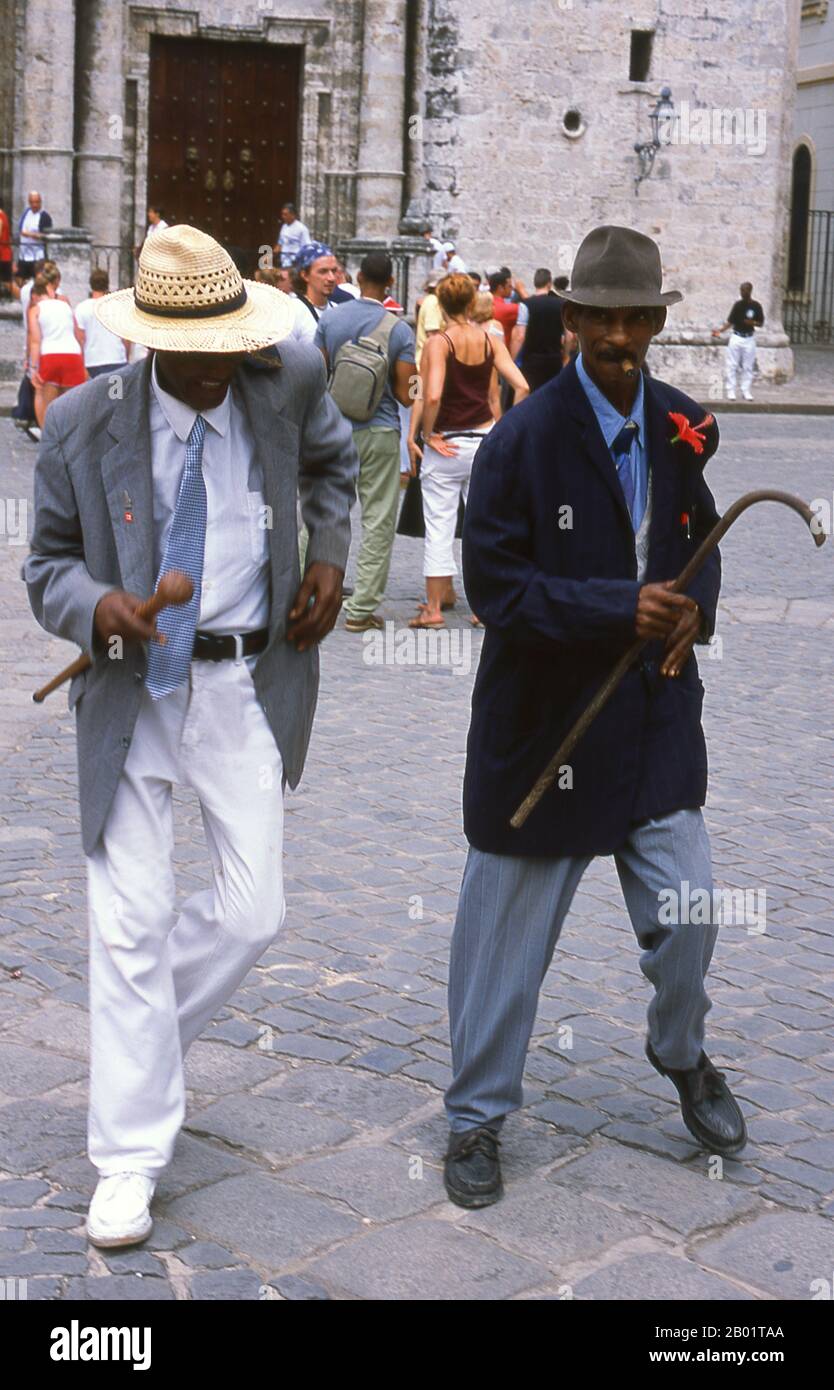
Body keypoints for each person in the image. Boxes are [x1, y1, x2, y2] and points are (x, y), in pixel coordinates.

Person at [23, 224, 358, 1249]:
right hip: (129, 692)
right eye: (195, 349)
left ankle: (138, 1048)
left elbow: (335, 468)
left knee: (255, 910)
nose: (217, 365)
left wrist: (331, 560)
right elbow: (45, 566)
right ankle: (127, 1160)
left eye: (229, 342)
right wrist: (97, 606)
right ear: (151, 339)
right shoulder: (83, 422)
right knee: (128, 922)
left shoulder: (287, 376)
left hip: (244, 681)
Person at [442, 225, 745, 1210]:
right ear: (570, 322)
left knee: (690, 910)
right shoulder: (522, 441)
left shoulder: (682, 426)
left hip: (652, 731)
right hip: (546, 735)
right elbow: (495, 586)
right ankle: (476, 1118)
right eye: (601, 317)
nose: (619, 335)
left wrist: (692, 611)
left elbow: (700, 550)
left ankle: (683, 1053)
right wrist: (621, 608)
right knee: (502, 948)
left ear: (657, 323)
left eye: (636, 318)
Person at [407, 272, 528, 631]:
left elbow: (432, 393)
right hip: (483, 442)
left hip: (448, 443)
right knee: (485, 525)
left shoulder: (439, 342)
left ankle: (433, 608)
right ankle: (483, 606)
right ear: (472, 302)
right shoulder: (490, 339)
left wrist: (428, 434)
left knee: (440, 524)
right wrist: (503, 429)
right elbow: (520, 385)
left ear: (440, 304)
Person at [315, 249, 416, 633]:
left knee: (324, 514)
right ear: (390, 282)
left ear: (356, 279)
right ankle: (360, 609)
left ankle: (309, 594)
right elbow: (408, 394)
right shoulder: (399, 329)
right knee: (377, 519)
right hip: (379, 430)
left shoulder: (331, 319)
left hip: (333, 430)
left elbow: (316, 371)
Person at [27, 272, 87, 426]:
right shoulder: (65, 305)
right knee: (72, 405)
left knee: (43, 396)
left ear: (35, 295)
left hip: (50, 355)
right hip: (73, 355)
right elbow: (78, 336)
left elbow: (35, 341)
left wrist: (33, 368)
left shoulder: (35, 310)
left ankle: (46, 436)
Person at [511, 267, 566, 391]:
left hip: (532, 360)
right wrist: (566, 355)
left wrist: (512, 361)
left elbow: (520, 336)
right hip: (554, 359)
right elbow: (570, 336)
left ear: (535, 283)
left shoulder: (526, 305)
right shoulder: (561, 305)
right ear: (549, 283)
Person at [712, 282, 764, 401]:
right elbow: (731, 322)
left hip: (749, 338)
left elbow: (761, 322)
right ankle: (731, 390)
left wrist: (753, 323)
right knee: (732, 364)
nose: (743, 293)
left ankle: (746, 390)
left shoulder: (756, 306)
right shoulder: (738, 305)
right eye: (741, 290)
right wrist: (720, 331)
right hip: (736, 337)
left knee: (748, 366)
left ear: (750, 291)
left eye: (745, 290)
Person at [75, 269, 130, 378]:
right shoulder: (118, 306)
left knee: (94, 394)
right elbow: (126, 337)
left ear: (91, 285)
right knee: (116, 394)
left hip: (92, 361)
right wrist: (126, 355)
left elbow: (80, 339)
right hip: (116, 358)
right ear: (107, 284)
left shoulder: (81, 308)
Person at [291, 242, 340, 323]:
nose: (332, 278)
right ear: (305, 275)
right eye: (323, 271)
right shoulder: (293, 313)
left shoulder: (337, 310)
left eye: (334, 271)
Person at [16, 190, 52, 281]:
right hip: (24, 255)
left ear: (40, 202)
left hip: (37, 256)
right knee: (20, 280)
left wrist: (30, 234)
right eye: (32, 202)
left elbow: (46, 236)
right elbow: (20, 229)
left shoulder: (44, 216)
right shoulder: (26, 213)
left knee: (37, 280)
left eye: (37, 202)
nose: (34, 205)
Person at [489, 267, 518, 350]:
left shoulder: (478, 304)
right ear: (500, 288)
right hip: (502, 351)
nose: (512, 288)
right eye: (509, 286)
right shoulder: (511, 309)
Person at [275, 202, 311, 268]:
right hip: (284, 262)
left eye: (285, 214)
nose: (283, 217)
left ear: (293, 215)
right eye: (282, 214)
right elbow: (280, 244)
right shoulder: (284, 227)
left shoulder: (302, 228)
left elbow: (307, 247)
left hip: (295, 262)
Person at [0, 204, 12, 300]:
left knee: (7, 282)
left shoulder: (0, 216)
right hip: (4, 253)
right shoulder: (3, 215)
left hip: (2, 253)